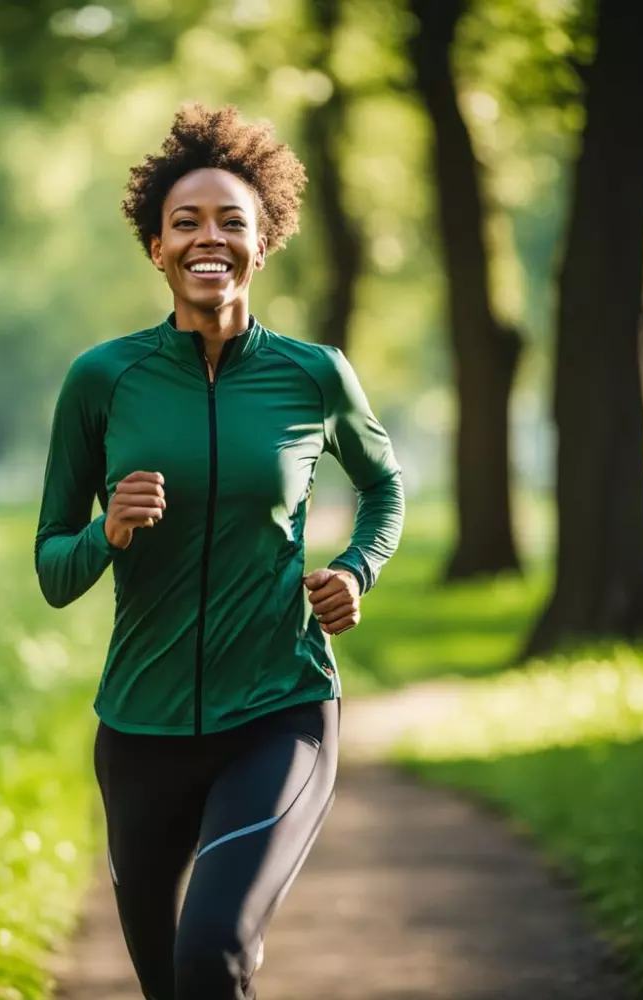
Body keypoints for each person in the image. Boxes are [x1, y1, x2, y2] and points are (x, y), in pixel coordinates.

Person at [34, 104, 404, 1000]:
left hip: (279, 711)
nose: (210, 238)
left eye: (232, 221)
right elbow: (52, 566)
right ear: (156, 248)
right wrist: (106, 532)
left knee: (215, 956)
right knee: (169, 982)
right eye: (186, 223)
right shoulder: (101, 380)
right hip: (140, 728)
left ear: (262, 242)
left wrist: (356, 570)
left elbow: (385, 486)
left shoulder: (313, 374)